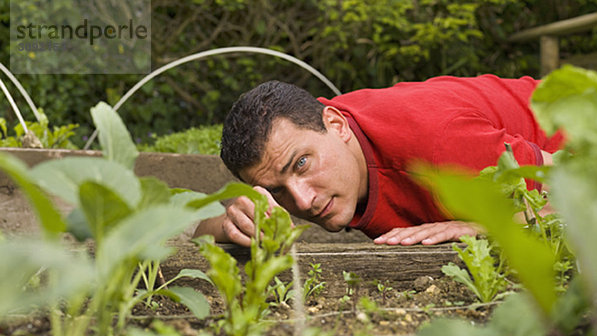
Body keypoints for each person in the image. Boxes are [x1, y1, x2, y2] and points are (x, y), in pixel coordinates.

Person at [194, 76, 563, 247]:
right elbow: (196, 232)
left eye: (302, 165)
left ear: (335, 124)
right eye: (278, 190)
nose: (302, 202)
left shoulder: (440, 147)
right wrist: (229, 225)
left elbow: (583, 185)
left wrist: (483, 227)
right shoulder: (308, 142)